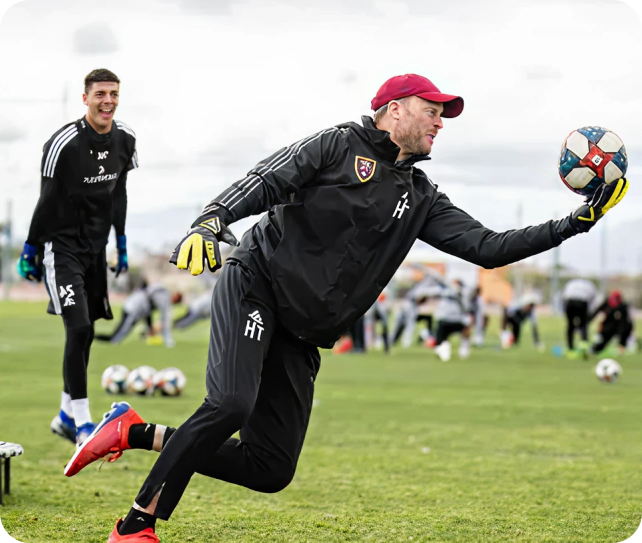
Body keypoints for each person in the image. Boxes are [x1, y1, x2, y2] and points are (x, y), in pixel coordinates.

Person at [61, 72, 628, 541]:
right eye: (433, 110)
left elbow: (488, 247)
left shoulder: (423, 196)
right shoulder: (337, 144)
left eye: (444, 115)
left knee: (269, 469)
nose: (440, 122)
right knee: (231, 403)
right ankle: (135, 526)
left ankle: (131, 432)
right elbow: (266, 179)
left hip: (303, 333)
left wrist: (577, 221)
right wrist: (213, 219)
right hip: (256, 284)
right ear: (393, 110)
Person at [16, 68, 138, 446]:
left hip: (96, 250)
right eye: (100, 94)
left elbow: (119, 194)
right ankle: (84, 424)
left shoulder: (127, 139)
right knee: (79, 327)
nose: (108, 101)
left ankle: (65, 416)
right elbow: (46, 199)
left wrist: (120, 242)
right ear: (85, 98)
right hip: (61, 247)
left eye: (114, 93)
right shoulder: (64, 143)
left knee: (86, 334)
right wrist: (31, 248)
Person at [96, 283, 182, 347]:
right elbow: (165, 317)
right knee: (122, 331)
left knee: (124, 329)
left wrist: (150, 328)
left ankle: (109, 339)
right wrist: (168, 341)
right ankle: (111, 341)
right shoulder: (165, 296)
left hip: (137, 304)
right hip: (135, 305)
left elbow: (148, 313)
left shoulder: (162, 292)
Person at [561, 278, 600, 357]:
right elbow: (593, 299)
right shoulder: (589, 284)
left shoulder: (571, 282)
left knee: (570, 325)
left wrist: (564, 310)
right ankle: (584, 346)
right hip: (582, 302)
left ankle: (570, 349)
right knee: (583, 325)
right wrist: (589, 313)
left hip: (570, 302)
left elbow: (563, 296)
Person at [589, 290, 634, 355]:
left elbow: (625, 320)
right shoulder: (607, 303)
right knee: (603, 342)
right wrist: (590, 320)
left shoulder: (622, 306)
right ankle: (593, 349)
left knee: (626, 330)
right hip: (608, 327)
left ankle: (621, 349)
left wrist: (620, 332)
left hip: (617, 327)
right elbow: (597, 311)